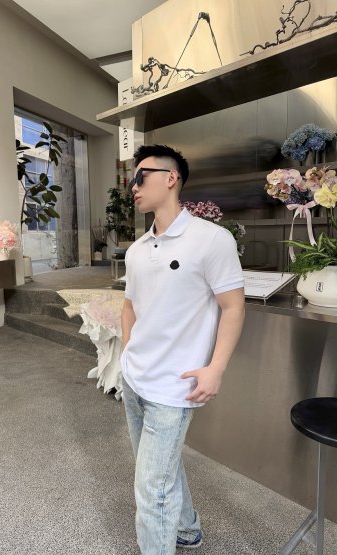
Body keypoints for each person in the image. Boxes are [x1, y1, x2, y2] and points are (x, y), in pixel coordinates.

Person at [120, 144, 245, 554]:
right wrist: (128, 354)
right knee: (159, 471)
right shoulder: (137, 249)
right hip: (135, 378)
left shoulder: (211, 239)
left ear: (170, 178)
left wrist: (216, 368)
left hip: (173, 388)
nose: (133, 186)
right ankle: (188, 529)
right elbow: (129, 306)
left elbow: (233, 307)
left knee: (150, 488)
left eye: (141, 177)